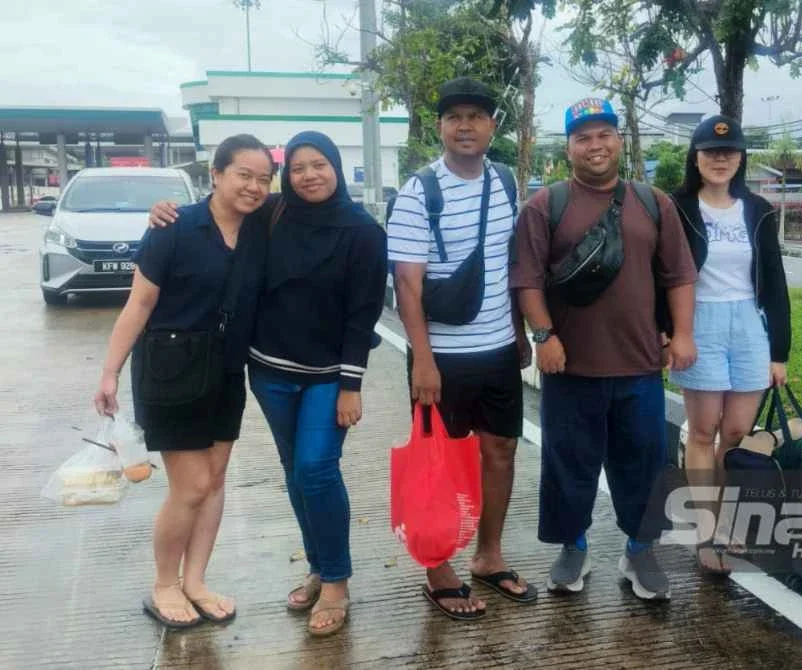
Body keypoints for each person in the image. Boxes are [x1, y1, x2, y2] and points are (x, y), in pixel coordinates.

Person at [146, 131, 388, 637]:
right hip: (270, 373)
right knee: (295, 474)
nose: (309, 176)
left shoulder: (363, 231)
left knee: (317, 468)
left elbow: (363, 315)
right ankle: (319, 568)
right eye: (297, 167)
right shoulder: (273, 213)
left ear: (337, 168)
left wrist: (352, 385)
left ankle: (338, 583)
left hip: (328, 379)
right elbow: (222, 207)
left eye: (319, 164)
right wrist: (165, 210)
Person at [510, 98, 698, 601]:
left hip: (640, 365)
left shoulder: (653, 202)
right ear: (567, 147)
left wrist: (682, 334)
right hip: (570, 367)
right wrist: (545, 335)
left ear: (619, 141)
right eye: (582, 137)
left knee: (643, 462)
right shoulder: (544, 206)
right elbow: (526, 280)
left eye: (603, 134)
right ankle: (573, 547)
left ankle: (639, 551)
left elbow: (678, 274)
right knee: (569, 464)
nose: (594, 145)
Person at [94, 133, 274, 629]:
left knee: (214, 482)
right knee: (190, 485)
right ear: (214, 175)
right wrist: (109, 371)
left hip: (225, 372)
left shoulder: (263, 226)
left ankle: (195, 581)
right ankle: (164, 584)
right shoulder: (173, 226)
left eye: (264, 178)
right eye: (244, 174)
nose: (255, 187)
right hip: (171, 371)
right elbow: (140, 303)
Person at [386, 77, 536, 620]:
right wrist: (422, 359)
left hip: (497, 350)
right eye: (454, 118)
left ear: (493, 125)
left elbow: (508, 265)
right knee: (439, 464)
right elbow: (407, 284)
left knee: (500, 452)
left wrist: (518, 331)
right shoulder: (417, 192)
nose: (465, 126)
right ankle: (438, 566)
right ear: (439, 127)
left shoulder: (505, 181)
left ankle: (488, 556)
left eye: (476, 116)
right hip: (440, 357)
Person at [667, 114, 791, 574]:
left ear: (740, 159)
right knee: (702, 432)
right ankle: (707, 530)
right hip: (699, 321)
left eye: (729, 152)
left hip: (750, 326)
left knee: (736, 433)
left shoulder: (758, 209)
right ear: (695, 158)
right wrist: (669, 331)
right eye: (711, 152)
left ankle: (728, 524)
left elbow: (774, 280)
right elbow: (664, 275)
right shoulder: (676, 207)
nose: (721, 160)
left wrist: (780, 352)